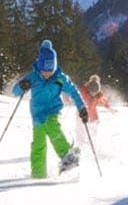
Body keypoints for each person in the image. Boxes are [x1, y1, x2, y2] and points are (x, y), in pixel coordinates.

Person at [12, 39, 89, 179]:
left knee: (52, 125)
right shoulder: (33, 77)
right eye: (44, 70)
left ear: (54, 67)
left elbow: (73, 92)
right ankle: (38, 174)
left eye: (50, 70)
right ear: (39, 66)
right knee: (38, 145)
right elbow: (15, 91)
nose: (47, 74)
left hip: (53, 111)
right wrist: (22, 85)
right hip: (37, 116)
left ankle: (67, 155)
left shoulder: (59, 78)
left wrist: (82, 107)